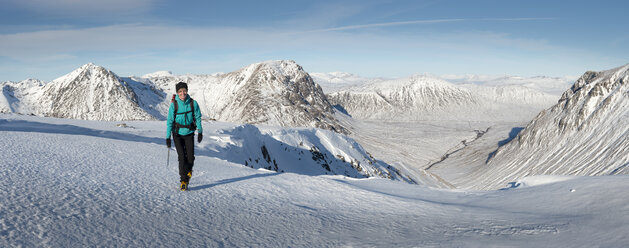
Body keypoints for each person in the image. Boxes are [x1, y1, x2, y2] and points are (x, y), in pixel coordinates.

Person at [166, 82, 203, 191]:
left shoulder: (193, 103)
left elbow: (198, 117)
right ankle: (184, 180)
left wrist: (200, 131)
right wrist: (168, 137)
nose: (182, 93)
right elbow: (170, 121)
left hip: (189, 133)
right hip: (177, 134)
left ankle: (188, 171)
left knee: (190, 158)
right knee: (182, 158)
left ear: (187, 91)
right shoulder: (174, 105)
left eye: (184, 91)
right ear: (177, 93)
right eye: (180, 91)